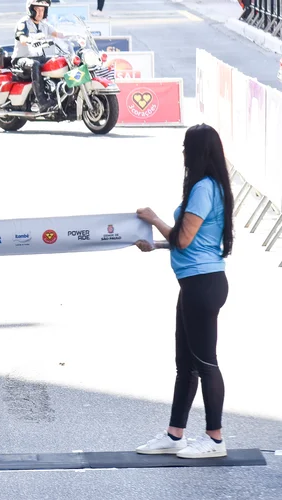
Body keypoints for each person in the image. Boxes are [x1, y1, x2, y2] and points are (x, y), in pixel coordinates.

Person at [133, 124, 234, 459]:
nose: (182, 153)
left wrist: (154, 218)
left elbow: (184, 239)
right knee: (185, 364)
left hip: (203, 285)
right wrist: (156, 244)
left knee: (205, 363)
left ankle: (215, 439)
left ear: (196, 152)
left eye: (185, 147)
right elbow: (191, 242)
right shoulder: (210, 187)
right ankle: (175, 434)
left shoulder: (205, 188)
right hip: (196, 282)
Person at [11, 0, 63, 112]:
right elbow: (22, 38)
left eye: (43, 10)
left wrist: (76, 35)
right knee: (34, 64)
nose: (40, 13)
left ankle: (59, 95)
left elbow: (58, 34)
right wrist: (29, 40)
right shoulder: (23, 23)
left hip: (39, 58)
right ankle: (42, 102)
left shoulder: (44, 25)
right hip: (21, 61)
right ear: (31, 10)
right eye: (37, 9)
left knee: (60, 61)